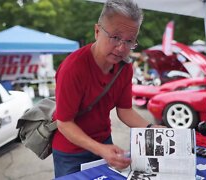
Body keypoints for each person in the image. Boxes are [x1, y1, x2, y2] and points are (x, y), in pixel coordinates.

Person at [52, 0, 162, 177]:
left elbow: (125, 110)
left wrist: (151, 127)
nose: (121, 48)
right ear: (97, 31)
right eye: (116, 37)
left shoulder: (124, 67)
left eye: (129, 41)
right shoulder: (73, 68)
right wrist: (101, 149)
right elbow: (64, 123)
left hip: (104, 142)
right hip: (70, 152)